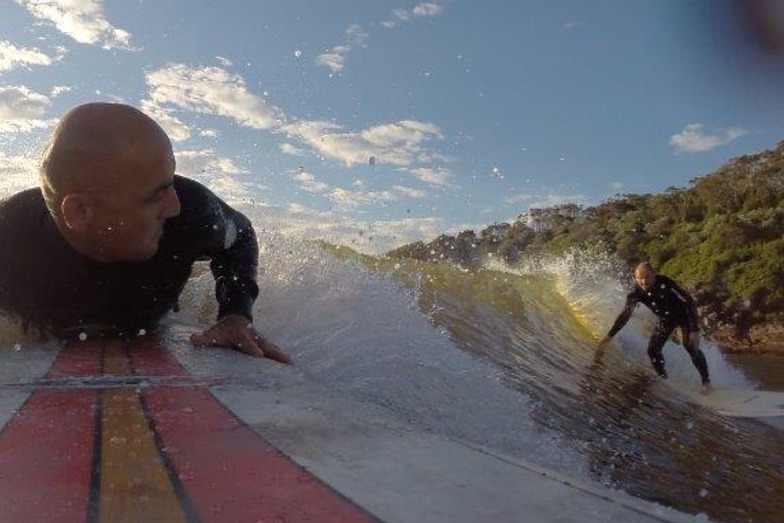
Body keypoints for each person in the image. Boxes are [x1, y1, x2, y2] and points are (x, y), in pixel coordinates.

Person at [0, 102, 290, 364]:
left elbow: (240, 236)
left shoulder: (192, 212)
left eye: (170, 182)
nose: (174, 206)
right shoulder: (9, 235)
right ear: (80, 212)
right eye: (155, 195)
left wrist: (236, 313)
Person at [598, 262, 710, 387]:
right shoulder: (635, 293)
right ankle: (663, 378)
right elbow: (625, 315)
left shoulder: (665, 283)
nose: (644, 282)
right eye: (640, 278)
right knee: (652, 350)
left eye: (647, 277)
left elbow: (688, 301)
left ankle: (706, 382)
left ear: (654, 275)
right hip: (665, 320)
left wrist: (694, 330)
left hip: (684, 316)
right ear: (635, 278)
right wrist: (609, 336)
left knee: (690, 347)